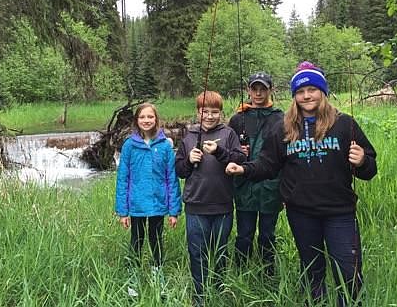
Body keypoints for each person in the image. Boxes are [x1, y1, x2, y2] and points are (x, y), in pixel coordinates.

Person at [226, 62, 377, 306]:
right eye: (300, 91)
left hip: (340, 213)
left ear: (323, 92)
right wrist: (243, 168)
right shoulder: (283, 128)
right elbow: (267, 164)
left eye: (312, 89)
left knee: (349, 273)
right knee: (312, 271)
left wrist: (362, 162)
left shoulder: (344, 124)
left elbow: (370, 169)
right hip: (301, 213)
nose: (306, 96)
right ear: (294, 96)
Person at [175, 91, 246, 306]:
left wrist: (219, 152)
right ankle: (200, 296)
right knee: (197, 252)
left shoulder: (229, 134)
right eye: (205, 111)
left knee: (220, 250)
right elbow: (179, 170)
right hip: (196, 205)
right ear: (198, 112)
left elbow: (241, 159)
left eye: (214, 112)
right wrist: (188, 160)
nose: (210, 116)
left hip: (223, 204)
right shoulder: (188, 136)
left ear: (220, 113)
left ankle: (218, 291)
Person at [115, 103, 182, 297]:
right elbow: (123, 179)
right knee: (136, 241)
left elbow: (171, 178)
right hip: (136, 205)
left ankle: (158, 278)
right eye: (142, 117)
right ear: (137, 120)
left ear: (156, 119)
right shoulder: (129, 145)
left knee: (156, 240)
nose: (146, 121)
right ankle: (133, 280)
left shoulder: (164, 146)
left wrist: (173, 210)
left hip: (157, 205)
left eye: (150, 117)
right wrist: (123, 211)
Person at [228, 72, 283, 275]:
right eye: (254, 89)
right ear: (248, 90)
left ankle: (267, 274)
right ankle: (241, 273)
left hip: (271, 186)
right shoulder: (238, 118)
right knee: (244, 234)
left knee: (268, 235)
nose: (258, 93)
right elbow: (227, 151)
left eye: (263, 89)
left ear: (271, 90)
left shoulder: (280, 118)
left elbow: (285, 154)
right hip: (244, 186)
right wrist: (237, 153)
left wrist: (285, 189)